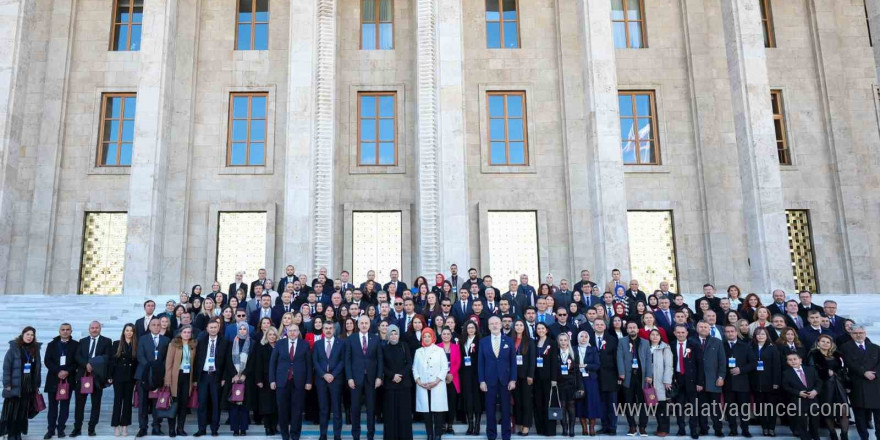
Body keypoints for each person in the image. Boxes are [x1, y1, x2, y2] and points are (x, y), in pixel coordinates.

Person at [269, 325, 311, 440]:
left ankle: (295, 434)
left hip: (299, 382)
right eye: (290, 331)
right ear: (286, 332)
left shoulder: (305, 344)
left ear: (298, 332)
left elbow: (309, 364)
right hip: (282, 381)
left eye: (295, 331)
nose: (292, 333)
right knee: (282, 409)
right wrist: (272, 380)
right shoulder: (280, 343)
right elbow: (273, 363)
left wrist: (308, 381)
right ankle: (285, 434)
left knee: (297, 409)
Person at [478, 316, 517, 440]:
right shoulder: (483, 341)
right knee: (490, 409)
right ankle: (491, 435)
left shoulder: (509, 341)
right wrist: (482, 380)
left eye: (496, 323)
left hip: (505, 380)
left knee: (506, 409)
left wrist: (513, 379)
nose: (494, 326)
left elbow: (513, 362)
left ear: (501, 325)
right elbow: (480, 363)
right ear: (488, 326)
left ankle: (506, 435)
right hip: (489, 380)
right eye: (492, 324)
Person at [345, 316, 383, 440]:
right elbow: (347, 360)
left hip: (372, 379)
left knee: (371, 409)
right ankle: (356, 435)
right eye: (362, 323)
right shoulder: (351, 339)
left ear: (369, 324)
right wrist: (349, 378)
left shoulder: (375, 339)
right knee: (355, 408)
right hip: (355, 379)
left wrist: (379, 377)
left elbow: (380, 360)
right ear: (358, 324)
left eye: (366, 323)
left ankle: (370, 435)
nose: (364, 325)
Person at [1, 326, 41, 440]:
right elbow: (6, 367)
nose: (30, 337)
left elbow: (36, 368)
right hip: (15, 384)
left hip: (28, 385)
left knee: (22, 411)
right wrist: (7, 384)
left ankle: (17, 433)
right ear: (22, 334)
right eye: (27, 334)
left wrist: (36, 384)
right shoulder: (14, 348)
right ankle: (11, 434)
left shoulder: (35, 349)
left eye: (32, 335)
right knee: (12, 410)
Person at [72, 321, 111, 437]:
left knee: (96, 404)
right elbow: (77, 356)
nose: (94, 330)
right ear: (89, 329)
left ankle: (91, 428)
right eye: (92, 328)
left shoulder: (107, 341)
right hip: (83, 376)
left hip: (98, 377)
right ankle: (77, 428)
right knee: (79, 405)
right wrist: (86, 364)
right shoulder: (82, 341)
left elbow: (107, 358)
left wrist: (93, 364)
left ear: (100, 329)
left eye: (97, 328)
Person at [840, 325, 880, 440]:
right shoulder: (845, 347)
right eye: (856, 333)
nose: (859, 335)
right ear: (851, 334)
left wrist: (875, 374)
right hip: (857, 384)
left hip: (875, 385)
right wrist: (863, 373)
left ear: (865, 333)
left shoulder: (875, 347)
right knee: (860, 415)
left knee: (878, 416)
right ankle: (864, 437)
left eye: (861, 332)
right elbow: (848, 363)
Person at [808, 334, 849, 440]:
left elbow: (844, 369)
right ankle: (833, 433)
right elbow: (811, 371)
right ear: (818, 343)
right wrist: (825, 372)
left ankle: (844, 435)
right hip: (824, 386)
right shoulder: (813, 354)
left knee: (844, 410)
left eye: (828, 342)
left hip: (838, 385)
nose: (825, 344)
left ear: (831, 344)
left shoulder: (837, 354)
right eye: (823, 341)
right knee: (828, 410)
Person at [192, 320, 229, 437]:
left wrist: (224, 377)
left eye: (215, 327)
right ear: (207, 329)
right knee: (202, 403)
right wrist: (195, 379)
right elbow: (196, 361)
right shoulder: (201, 341)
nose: (213, 329)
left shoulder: (225, 342)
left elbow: (227, 362)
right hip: (203, 376)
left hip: (216, 377)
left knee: (215, 404)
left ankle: (214, 428)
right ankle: (201, 428)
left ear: (219, 328)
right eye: (211, 327)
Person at [135, 318, 170, 438]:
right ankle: (142, 428)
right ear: (149, 327)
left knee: (157, 404)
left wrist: (157, 370)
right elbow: (140, 355)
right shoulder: (143, 339)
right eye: (153, 325)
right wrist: (150, 367)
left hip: (158, 376)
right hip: (143, 375)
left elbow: (167, 358)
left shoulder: (166, 340)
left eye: (158, 325)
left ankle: (156, 427)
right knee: (143, 403)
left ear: (161, 326)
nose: (156, 326)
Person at [43, 323, 78, 440]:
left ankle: (61, 429)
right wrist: (58, 371)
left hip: (68, 380)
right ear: (59, 331)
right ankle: (51, 430)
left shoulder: (76, 345)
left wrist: (67, 371)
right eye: (63, 329)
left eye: (68, 329)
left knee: (64, 406)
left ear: (71, 331)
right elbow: (47, 361)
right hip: (54, 379)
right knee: (53, 407)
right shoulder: (52, 344)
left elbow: (76, 362)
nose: (65, 331)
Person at [617, 321, 652, 436]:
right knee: (628, 402)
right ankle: (632, 426)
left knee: (644, 403)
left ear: (638, 330)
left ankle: (642, 426)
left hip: (642, 377)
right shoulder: (622, 341)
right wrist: (621, 372)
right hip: (628, 376)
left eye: (634, 327)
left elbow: (648, 360)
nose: (632, 329)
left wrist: (649, 375)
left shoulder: (645, 342)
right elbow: (619, 357)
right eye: (630, 328)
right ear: (627, 330)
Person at [413, 328, 448, 440]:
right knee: (426, 412)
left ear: (433, 337)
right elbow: (414, 368)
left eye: (429, 336)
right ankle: (429, 434)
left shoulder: (439, 350)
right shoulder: (418, 351)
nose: (427, 338)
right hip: (423, 385)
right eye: (424, 336)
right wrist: (418, 381)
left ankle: (437, 434)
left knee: (437, 411)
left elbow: (444, 367)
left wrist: (436, 381)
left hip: (437, 385)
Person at [722, 324, 755, 437]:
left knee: (744, 408)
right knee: (730, 408)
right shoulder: (722, 346)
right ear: (725, 333)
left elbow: (753, 363)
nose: (730, 333)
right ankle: (733, 429)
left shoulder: (745, 346)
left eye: (732, 331)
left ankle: (745, 429)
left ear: (736, 333)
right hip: (727, 383)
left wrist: (741, 369)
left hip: (742, 382)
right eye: (727, 331)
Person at [163, 325, 197, 437]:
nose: (187, 334)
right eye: (185, 332)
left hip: (187, 377)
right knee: (174, 404)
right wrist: (167, 380)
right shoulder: (174, 344)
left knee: (183, 404)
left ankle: (180, 428)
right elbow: (168, 364)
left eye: (189, 332)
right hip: (175, 377)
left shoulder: (193, 345)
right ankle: (171, 429)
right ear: (180, 333)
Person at [313, 320, 344, 440]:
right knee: (323, 409)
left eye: (330, 328)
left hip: (336, 380)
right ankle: (323, 435)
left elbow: (342, 361)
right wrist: (324, 375)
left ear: (334, 329)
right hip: (321, 380)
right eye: (326, 328)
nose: (328, 330)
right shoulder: (317, 344)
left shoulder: (341, 343)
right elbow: (315, 361)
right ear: (323, 330)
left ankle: (337, 436)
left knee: (336, 410)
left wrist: (333, 374)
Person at [670, 324, 702, 439]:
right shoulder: (672, 345)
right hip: (677, 380)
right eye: (678, 332)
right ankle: (681, 429)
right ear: (674, 333)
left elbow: (700, 365)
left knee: (693, 407)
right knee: (679, 407)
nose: (680, 334)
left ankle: (694, 430)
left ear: (687, 333)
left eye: (683, 332)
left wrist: (699, 382)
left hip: (692, 380)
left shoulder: (694, 345)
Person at [694, 321, 725, 437]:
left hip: (714, 380)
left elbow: (722, 361)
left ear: (709, 329)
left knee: (715, 408)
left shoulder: (717, 342)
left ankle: (718, 429)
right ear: (697, 328)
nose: (703, 329)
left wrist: (721, 377)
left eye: (705, 327)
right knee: (701, 407)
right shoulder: (692, 341)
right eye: (701, 327)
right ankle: (703, 428)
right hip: (698, 382)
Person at [382, 325, 413, 440]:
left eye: (396, 333)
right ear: (388, 335)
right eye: (391, 333)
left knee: (404, 414)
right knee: (391, 415)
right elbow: (383, 365)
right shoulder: (384, 348)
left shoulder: (404, 346)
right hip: (390, 386)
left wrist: (401, 375)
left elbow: (409, 363)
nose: (393, 336)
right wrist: (392, 375)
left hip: (404, 385)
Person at [781, 352, 821, 440]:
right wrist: (798, 393)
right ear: (787, 362)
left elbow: (818, 382)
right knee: (801, 420)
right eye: (790, 360)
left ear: (800, 360)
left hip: (812, 398)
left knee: (814, 419)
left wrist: (815, 391)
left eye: (795, 359)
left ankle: (815, 436)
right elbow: (786, 387)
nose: (793, 361)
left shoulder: (810, 370)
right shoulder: (786, 373)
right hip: (798, 400)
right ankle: (805, 437)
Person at [750, 327, 780, 436]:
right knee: (760, 407)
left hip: (770, 382)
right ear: (755, 336)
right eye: (758, 334)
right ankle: (764, 427)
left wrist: (776, 382)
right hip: (756, 382)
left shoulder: (772, 348)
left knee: (771, 407)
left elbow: (777, 366)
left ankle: (771, 428)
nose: (760, 336)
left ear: (767, 335)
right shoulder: (751, 347)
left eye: (763, 334)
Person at [227, 322, 256, 436]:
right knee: (234, 405)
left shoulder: (252, 343)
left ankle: (243, 429)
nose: (243, 331)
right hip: (233, 378)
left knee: (245, 406)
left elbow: (253, 361)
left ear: (248, 330)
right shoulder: (231, 343)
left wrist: (244, 374)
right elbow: (228, 361)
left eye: (245, 329)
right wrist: (234, 374)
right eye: (241, 329)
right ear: (238, 330)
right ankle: (235, 429)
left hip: (247, 378)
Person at [109, 324, 137, 437]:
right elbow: (112, 361)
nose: (129, 332)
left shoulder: (136, 344)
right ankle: (116, 426)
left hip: (130, 378)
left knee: (127, 403)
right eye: (127, 330)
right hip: (118, 377)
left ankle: (125, 426)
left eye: (131, 331)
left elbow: (137, 362)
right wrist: (110, 376)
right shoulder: (117, 343)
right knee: (118, 401)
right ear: (124, 331)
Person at [553, 332, 583, 437]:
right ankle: (564, 429)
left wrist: (580, 387)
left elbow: (578, 372)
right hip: (560, 384)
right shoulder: (555, 353)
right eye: (561, 340)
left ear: (568, 341)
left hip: (571, 384)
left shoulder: (574, 353)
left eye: (565, 340)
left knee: (571, 407)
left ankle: (572, 429)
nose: (563, 342)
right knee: (562, 407)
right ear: (558, 341)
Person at [593, 319, 619, 435]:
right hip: (595, 377)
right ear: (593, 326)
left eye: (601, 324)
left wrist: (619, 375)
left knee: (612, 403)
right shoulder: (588, 339)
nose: (599, 326)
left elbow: (616, 359)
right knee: (602, 403)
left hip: (610, 376)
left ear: (605, 326)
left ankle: (612, 427)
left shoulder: (612, 340)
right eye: (597, 324)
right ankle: (604, 426)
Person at [511, 320, 535, 436]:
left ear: (524, 327)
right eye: (517, 325)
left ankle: (526, 426)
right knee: (518, 402)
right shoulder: (510, 341)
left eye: (521, 325)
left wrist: (531, 375)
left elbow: (532, 360)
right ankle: (520, 424)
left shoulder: (530, 341)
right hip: (514, 376)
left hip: (526, 376)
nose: (519, 327)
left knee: (526, 402)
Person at [574, 331, 601, 436]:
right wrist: (577, 366)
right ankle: (584, 428)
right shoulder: (574, 348)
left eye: (586, 337)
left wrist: (586, 366)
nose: (583, 339)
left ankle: (592, 427)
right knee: (581, 403)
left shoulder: (593, 349)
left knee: (592, 403)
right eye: (581, 336)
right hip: (578, 379)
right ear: (578, 338)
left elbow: (597, 365)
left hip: (591, 379)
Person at [458, 321, 482, 435]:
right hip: (465, 374)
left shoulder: (480, 341)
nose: (471, 329)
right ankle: (470, 425)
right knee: (468, 399)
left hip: (477, 373)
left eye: (473, 327)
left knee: (477, 399)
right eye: (469, 328)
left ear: (476, 329)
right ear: (465, 329)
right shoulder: (462, 341)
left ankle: (477, 426)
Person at [648, 329, 673, 437]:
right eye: (652, 335)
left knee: (663, 406)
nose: (654, 337)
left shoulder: (665, 348)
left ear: (660, 336)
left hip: (661, 381)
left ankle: (664, 429)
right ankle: (660, 428)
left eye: (657, 335)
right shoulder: (646, 347)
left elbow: (669, 365)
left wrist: (667, 380)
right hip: (650, 381)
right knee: (656, 407)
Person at [254, 327, 279, 436]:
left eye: (274, 335)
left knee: (276, 404)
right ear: (266, 336)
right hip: (265, 379)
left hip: (278, 379)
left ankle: (274, 426)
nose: (272, 336)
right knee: (267, 405)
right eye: (270, 334)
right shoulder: (261, 347)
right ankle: (268, 427)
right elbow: (258, 364)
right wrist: (258, 380)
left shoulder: (280, 346)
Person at [437, 328, 461, 435]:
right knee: (441, 403)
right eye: (444, 334)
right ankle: (442, 425)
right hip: (440, 379)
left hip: (453, 378)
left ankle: (450, 425)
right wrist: (444, 375)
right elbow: (436, 363)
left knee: (451, 403)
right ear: (441, 335)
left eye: (448, 334)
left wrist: (451, 374)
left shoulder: (456, 347)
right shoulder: (437, 347)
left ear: (451, 336)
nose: (446, 336)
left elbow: (458, 362)